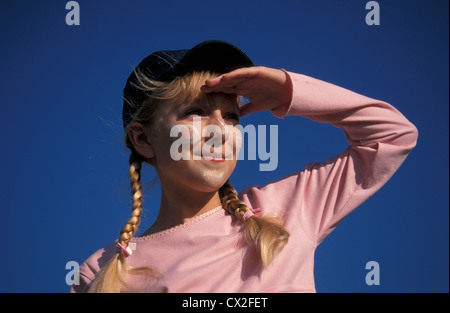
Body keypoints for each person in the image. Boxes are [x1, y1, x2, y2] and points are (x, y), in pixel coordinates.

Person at [70, 40, 418, 293]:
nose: (220, 130)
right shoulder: (100, 273)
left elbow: (393, 134)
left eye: (232, 116)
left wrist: (287, 91)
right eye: (195, 112)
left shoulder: (289, 208)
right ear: (144, 140)